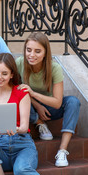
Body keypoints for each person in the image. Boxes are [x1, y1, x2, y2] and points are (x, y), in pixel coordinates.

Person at [16, 32, 81, 167]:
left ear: (45, 53)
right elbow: (15, 90)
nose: (31, 55)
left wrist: (34, 94)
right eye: (28, 50)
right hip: (29, 109)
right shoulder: (20, 63)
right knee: (18, 95)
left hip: (50, 108)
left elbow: (57, 102)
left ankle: (62, 151)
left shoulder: (54, 68)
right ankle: (39, 123)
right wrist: (36, 105)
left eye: (37, 51)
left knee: (73, 102)